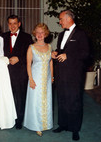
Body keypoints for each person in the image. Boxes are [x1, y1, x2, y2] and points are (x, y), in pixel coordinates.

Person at [52, 10, 89, 141]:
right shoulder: (61, 35)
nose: (60, 22)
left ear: (68, 19)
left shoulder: (81, 34)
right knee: (62, 99)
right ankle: (63, 124)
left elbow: (86, 54)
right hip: (61, 73)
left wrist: (69, 56)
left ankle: (75, 129)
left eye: (61, 19)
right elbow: (61, 51)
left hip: (75, 75)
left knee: (74, 101)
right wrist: (55, 53)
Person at [2, 15, 33, 129]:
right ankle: (8, 118)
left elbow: (31, 55)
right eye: (10, 23)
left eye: (15, 23)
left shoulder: (27, 37)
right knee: (7, 95)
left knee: (20, 97)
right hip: (5, 72)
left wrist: (19, 58)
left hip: (20, 72)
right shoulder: (3, 36)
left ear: (19, 24)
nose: (12, 26)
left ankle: (19, 120)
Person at [23, 23, 53, 136]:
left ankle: (46, 123)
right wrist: (30, 79)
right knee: (36, 101)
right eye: (37, 32)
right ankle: (36, 125)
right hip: (35, 78)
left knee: (46, 100)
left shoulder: (49, 47)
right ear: (34, 34)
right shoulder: (31, 47)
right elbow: (28, 64)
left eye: (42, 32)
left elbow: (51, 62)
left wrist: (52, 77)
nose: (40, 35)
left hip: (47, 79)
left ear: (45, 34)